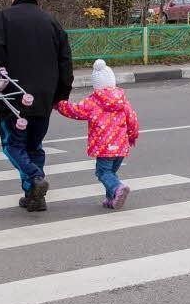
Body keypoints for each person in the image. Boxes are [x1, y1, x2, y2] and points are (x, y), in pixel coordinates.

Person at [0, 0, 74, 212]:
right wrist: (61, 95)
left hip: (12, 98)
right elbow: (65, 62)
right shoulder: (51, 22)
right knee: (35, 146)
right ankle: (34, 198)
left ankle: (34, 178)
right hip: (44, 97)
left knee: (12, 145)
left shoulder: (1, 20)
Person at [55, 60, 140, 209]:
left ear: (96, 84)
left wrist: (59, 104)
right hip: (120, 146)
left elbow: (74, 110)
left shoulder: (93, 101)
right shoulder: (123, 101)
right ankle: (111, 198)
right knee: (111, 172)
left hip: (104, 148)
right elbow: (132, 120)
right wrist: (132, 137)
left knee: (103, 173)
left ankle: (117, 188)